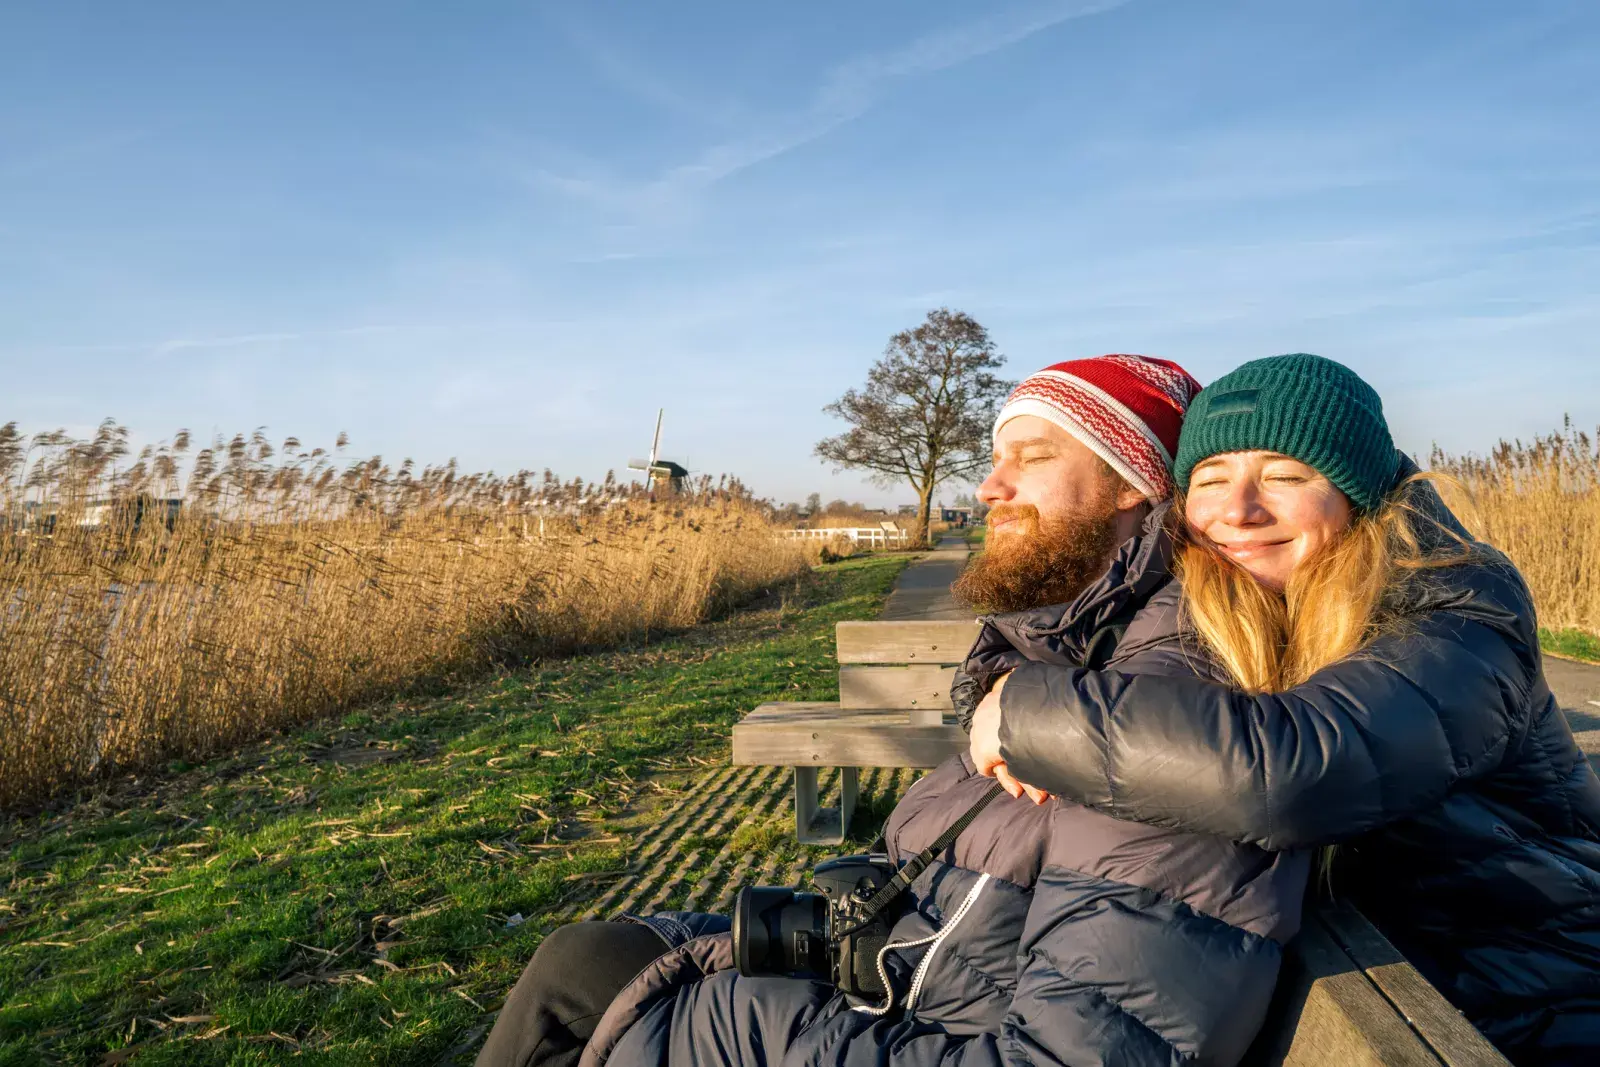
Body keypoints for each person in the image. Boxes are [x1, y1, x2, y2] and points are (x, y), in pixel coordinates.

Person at [477, 355, 1310, 1067]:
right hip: (893, 980)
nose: (990, 486)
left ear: (1135, 484)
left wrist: (727, 1012)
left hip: (916, 1019)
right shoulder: (1062, 662)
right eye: (994, 458)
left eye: (1031, 457)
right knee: (580, 962)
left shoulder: (1159, 716)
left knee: (601, 1003)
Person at [968, 353, 1600, 1066]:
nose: (1238, 510)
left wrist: (1025, 711)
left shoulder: (1454, 609)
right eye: (1211, 479)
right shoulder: (1254, 609)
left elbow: (1296, 770)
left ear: (1356, 493)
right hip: (1405, 983)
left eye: (1285, 476)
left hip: (1542, 996)